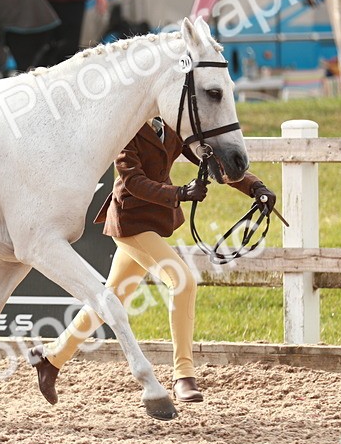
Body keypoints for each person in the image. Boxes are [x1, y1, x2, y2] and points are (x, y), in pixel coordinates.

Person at [28, 118, 277, 404]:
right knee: (182, 281)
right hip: (130, 223)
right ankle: (183, 374)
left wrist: (255, 187)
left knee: (110, 300)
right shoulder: (126, 128)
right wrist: (180, 193)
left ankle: (51, 358)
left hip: (154, 221)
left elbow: (214, 164)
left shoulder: (172, 127)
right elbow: (133, 182)